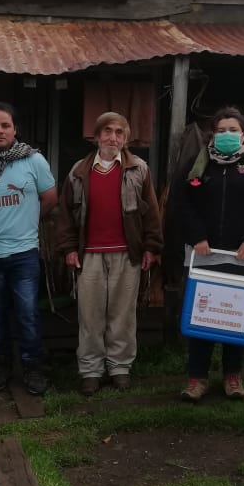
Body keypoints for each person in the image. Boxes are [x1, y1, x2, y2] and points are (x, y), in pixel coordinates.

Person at [172, 106, 244, 402]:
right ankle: (197, 378)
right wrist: (196, 236)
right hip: (204, 252)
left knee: (236, 316)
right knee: (203, 316)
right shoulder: (199, 162)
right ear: (213, 134)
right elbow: (182, 201)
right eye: (221, 130)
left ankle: (233, 376)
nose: (227, 135)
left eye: (233, 130)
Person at [55, 111, 163, 395]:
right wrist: (68, 249)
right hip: (89, 253)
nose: (112, 137)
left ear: (126, 139)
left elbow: (152, 213)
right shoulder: (79, 170)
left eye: (119, 132)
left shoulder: (138, 169)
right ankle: (90, 369)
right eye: (107, 131)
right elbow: (65, 214)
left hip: (127, 253)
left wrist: (152, 247)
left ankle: (119, 367)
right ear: (96, 137)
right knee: (89, 315)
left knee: (122, 315)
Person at [0, 102, 58, 395]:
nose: (0, 130)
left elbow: (50, 197)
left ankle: (32, 367)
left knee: (27, 312)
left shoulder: (34, 161)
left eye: (5, 125)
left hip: (24, 254)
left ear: (15, 129)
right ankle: (0, 365)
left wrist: (27, 221)